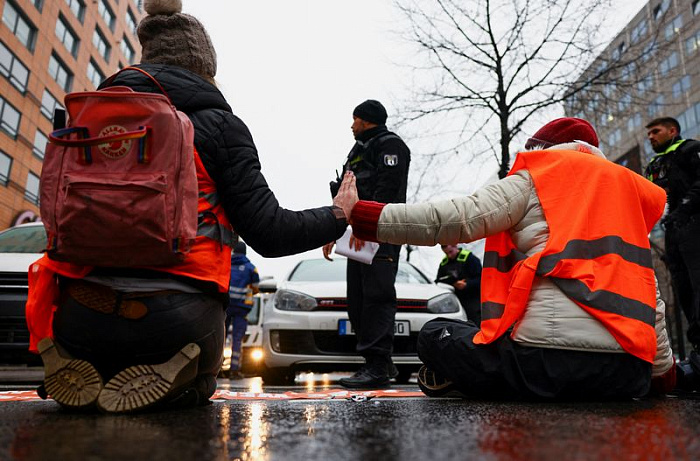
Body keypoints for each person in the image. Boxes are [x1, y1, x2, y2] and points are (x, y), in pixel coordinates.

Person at [28, 0, 348, 413]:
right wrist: (338, 215)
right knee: (202, 374)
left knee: (93, 344)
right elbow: (270, 232)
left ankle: (75, 362)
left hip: (78, 315)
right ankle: (185, 380)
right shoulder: (217, 126)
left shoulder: (92, 118)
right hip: (176, 321)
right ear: (204, 68)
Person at [335, 117, 677, 399]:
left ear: (541, 150)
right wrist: (661, 374)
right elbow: (649, 294)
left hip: (544, 364)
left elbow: (453, 219)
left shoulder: (537, 177)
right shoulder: (626, 198)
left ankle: (472, 379)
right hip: (624, 374)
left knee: (435, 333)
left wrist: (363, 216)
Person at [323, 99, 410, 388]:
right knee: (358, 301)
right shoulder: (358, 150)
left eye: (355, 119)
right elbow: (345, 195)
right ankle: (380, 363)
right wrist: (333, 232)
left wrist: (368, 225)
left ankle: (376, 366)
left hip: (381, 232)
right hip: (357, 233)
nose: (351, 125)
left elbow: (387, 192)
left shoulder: (391, 146)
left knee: (377, 297)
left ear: (367, 119)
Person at [644, 117, 700, 358]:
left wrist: (683, 210)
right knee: (683, 288)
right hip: (673, 233)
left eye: (656, 132)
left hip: (695, 225)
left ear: (672, 130)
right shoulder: (654, 166)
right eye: (649, 134)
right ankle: (697, 348)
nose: (651, 137)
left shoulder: (690, 150)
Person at [226, 242, 260, 379]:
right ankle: (234, 370)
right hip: (242, 308)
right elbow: (256, 288)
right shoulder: (251, 269)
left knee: (220, 337)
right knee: (237, 339)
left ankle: (214, 370)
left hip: (226, 306)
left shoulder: (226, 265)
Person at [435, 244, 482, 326]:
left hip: (472, 300)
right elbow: (438, 281)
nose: (449, 256)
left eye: (450, 252)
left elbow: (481, 279)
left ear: (455, 245)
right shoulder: (444, 264)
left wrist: (466, 284)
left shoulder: (470, 259)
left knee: (473, 325)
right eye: (446, 253)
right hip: (454, 301)